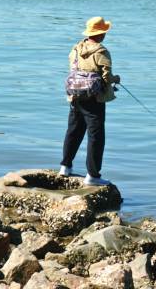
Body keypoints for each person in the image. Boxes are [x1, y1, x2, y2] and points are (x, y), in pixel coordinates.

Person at [59, 16, 120, 186]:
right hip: (94, 99)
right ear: (101, 34)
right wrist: (116, 79)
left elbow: (73, 67)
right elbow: (107, 78)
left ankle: (65, 166)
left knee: (73, 130)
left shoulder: (76, 48)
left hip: (75, 95)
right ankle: (93, 175)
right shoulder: (101, 52)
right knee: (96, 136)